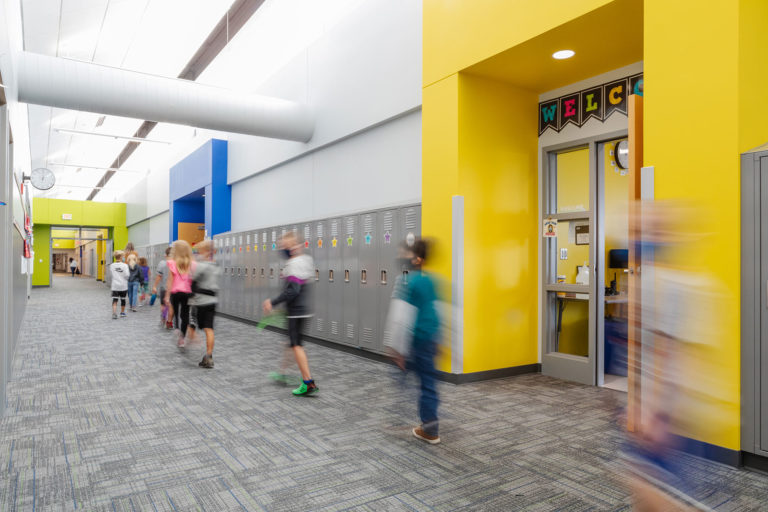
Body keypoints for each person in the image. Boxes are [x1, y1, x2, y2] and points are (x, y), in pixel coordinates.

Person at [263, 232, 318, 396]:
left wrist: (272, 302)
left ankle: (308, 382)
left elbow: (293, 290)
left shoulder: (293, 264)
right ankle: (286, 373)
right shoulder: (306, 260)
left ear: (293, 247)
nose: (282, 249)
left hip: (295, 312)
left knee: (296, 345)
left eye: (284, 246)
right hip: (303, 310)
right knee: (293, 344)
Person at [403, 239, 442, 445]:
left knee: (423, 383)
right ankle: (430, 425)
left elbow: (405, 315)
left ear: (418, 259)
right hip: (432, 335)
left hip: (420, 337)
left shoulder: (415, 281)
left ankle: (429, 429)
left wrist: (398, 349)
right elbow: (438, 309)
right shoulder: (431, 280)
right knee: (429, 382)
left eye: (410, 255)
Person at [187, 240, 220, 368]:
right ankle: (209, 356)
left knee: (193, 323)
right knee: (209, 329)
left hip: (200, 301)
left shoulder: (200, 266)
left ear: (206, 252)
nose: (198, 254)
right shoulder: (216, 266)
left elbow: (191, 280)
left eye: (199, 251)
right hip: (212, 301)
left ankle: (192, 340)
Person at [165, 240, 195, 347]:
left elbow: (170, 280)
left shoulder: (172, 263)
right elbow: (193, 280)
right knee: (185, 314)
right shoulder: (192, 264)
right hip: (187, 292)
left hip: (175, 292)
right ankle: (182, 338)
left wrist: (167, 295)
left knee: (176, 312)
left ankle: (177, 328)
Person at [153, 247, 173, 328]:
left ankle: (163, 317)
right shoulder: (176, 263)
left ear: (166, 254)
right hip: (173, 289)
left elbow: (159, 276)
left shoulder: (162, 263)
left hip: (163, 288)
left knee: (163, 304)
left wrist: (154, 286)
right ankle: (169, 322)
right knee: (171, 305)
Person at [109, 251, 129, 319]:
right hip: (123, 286)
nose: (124, 258)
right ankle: (122, 312)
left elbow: (111, 275)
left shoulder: (112, 265)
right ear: (120, 257)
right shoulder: (125, 265)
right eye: (123, 256)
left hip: (115, 286)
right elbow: (127, 275)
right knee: (123, 299)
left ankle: (114, 313)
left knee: (115, 299)